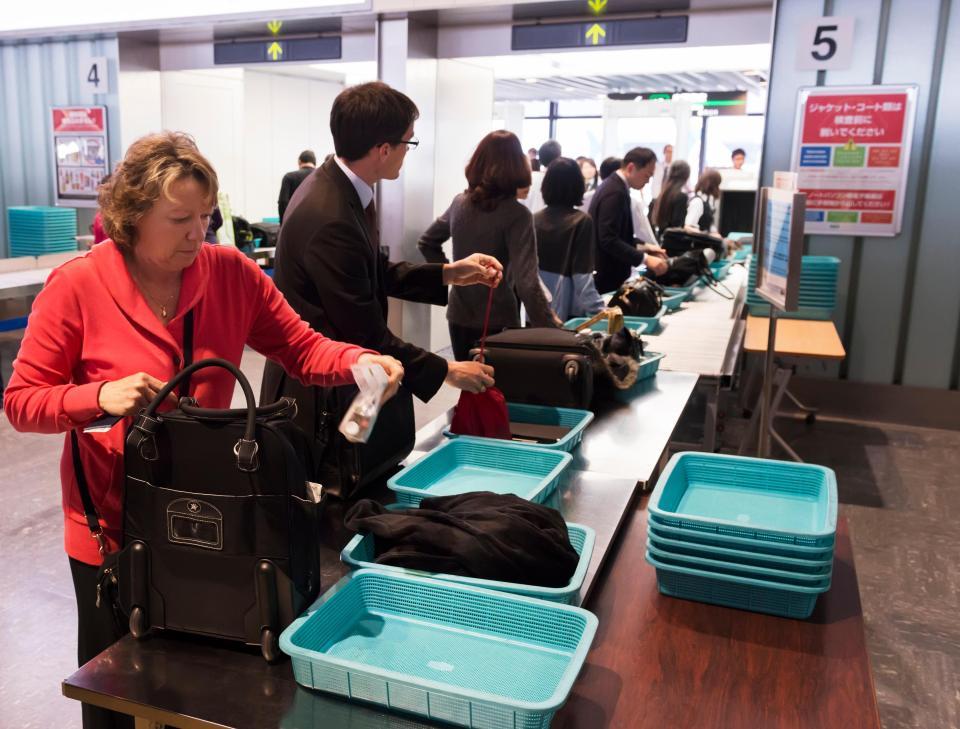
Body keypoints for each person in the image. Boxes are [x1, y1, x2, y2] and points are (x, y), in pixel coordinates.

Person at [2, 131, 403, 729]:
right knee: (116, 692)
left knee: (200, 694)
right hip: (109, 529)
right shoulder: (77, 286)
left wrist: (356, 362)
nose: (199, 233)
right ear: (132, 217)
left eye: (207, 217)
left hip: (210, 524)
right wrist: (96, 396)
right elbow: (21, 402)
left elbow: (300, 347)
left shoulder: (231, 273)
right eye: (180, 219)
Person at [261, 82, 500, 496]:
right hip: (320, 391)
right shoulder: (330, 213)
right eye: (408, 142)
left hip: (343, 376)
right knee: (333, 503)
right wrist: (448, 371)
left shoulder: (342, 187)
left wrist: (449, 273)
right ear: (383, 148)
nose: (409, 151)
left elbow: (375, 272)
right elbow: (364, 334)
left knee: (364, 481)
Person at [418, 130, 559, 361]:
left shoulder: (459, 203)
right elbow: (527, 282)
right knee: (499, 392)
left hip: (459, 315)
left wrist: (452, 276)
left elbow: (427, 242)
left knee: (471, 389)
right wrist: (551, 330)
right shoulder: (517, 214)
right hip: (498, 321)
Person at [588, 147, 668, 294]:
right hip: (606, 275)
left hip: (609, 272)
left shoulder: (616, 187)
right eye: (646, 176)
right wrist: (645, 259)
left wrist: (646, 247)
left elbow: (618, 234)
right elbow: (608, 239)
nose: (648, 181)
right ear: (631, 168)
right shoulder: (614, 191)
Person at [535, 158, 604, 321]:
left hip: (537, 310)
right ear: (578, 185)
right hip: (569, 314)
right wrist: (600, 310)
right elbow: (582, 277)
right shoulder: (581, 221)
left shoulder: (533, 219)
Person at [650, 159, 692, 240]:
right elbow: (677, 227)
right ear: (686, 176)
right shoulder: (681, 197)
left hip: (661, 239)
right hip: (673, 244)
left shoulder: (663, 194)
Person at [277, 149, 317, 222]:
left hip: (295, 224)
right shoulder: (322, 177)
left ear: (299, 161)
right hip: (317, 224)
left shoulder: (289, 177)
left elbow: (283, 202)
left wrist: (283, 225)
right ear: (314, 163)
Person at [523, 139, 561, 213]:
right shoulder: (561, 179)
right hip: (552, 222)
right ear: (559, 157)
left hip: (527, 221)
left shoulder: (529, 177)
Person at [686, 168, 722, 234]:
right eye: (717, 185)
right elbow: (687, 227)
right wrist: (708, 236)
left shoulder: (707, 202)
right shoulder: (698, 202)